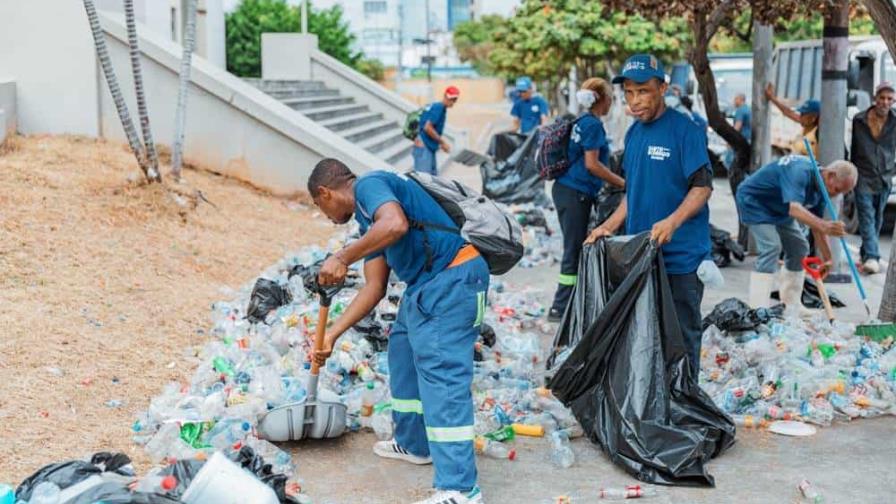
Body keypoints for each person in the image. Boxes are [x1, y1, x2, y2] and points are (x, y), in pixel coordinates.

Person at [308, 159, 487, 504]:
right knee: (402, 352)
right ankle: (414, 444)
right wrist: (332, 335)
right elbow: (374, 288)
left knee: (443, 377)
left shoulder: (369, 186)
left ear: (325, 192)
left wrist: (342, 257)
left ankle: (461, 489)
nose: (327, 216)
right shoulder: (368, 223)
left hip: (452, 279)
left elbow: (396, 224)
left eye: (321, 208)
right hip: (425, 286)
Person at [586, 54, 713, 377]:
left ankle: (685, 406)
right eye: (628, 92)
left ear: (663, 88)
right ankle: (654, 406)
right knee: (646, 336)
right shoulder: (633, 135)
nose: (635, 100)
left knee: (682, 337)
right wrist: (608, 226)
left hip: (680, 257)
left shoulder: (686, 131)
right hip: (641, 255)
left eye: (643, 91)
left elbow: (702, 188)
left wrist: (672, 221)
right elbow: (634, 191)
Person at [547, 78, 625, 322]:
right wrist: (622, 183)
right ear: (601, 99)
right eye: (611, 97)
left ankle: (573, 303)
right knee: (573, 250)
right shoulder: (592, 125)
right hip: (574, 193)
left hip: (568, 191)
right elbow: (592, 164)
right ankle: (559, 308)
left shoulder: (581, 120)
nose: (612, 102)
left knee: (577, 248)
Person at [736, 155, 857, 311]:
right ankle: (757, 308)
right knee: (771, 247)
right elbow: (795, 209)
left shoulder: (824, 188)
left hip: (780, 207)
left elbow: (816, 225)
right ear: (830, 175)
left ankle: (791, 304)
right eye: (837, 190)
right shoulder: (799, 171)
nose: (836, 195)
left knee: (799, 247)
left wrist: (827, 258)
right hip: (755, 202)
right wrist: (825, 226)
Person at [850, 81, 896, 274]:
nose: (885, 102)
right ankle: (872, 257)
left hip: (885, 176)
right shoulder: (859, 120)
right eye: (882, 98)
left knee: (877, 217)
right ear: (875, 99)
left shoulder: (895, 121)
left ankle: (865, 252)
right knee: (867, 215)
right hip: (863, 174)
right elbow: (854, 148)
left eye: (889, 99)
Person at [765, 83, 820, 158]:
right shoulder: (806, 124)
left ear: (813, 118)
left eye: (803, 114)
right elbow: (788, 112)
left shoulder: (818, 133)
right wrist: (772, 98)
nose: (800, 117)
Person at [414, 86, 459, 175]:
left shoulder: (438, 107)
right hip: (424, 146)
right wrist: (442, 142)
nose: (452, 102)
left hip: (428, 146)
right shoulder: (438, 107)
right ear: (445, 96)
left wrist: (439, 143)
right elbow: (428, 127)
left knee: (432, 179)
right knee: (424, 180)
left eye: (455, 99)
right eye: (451, 99)